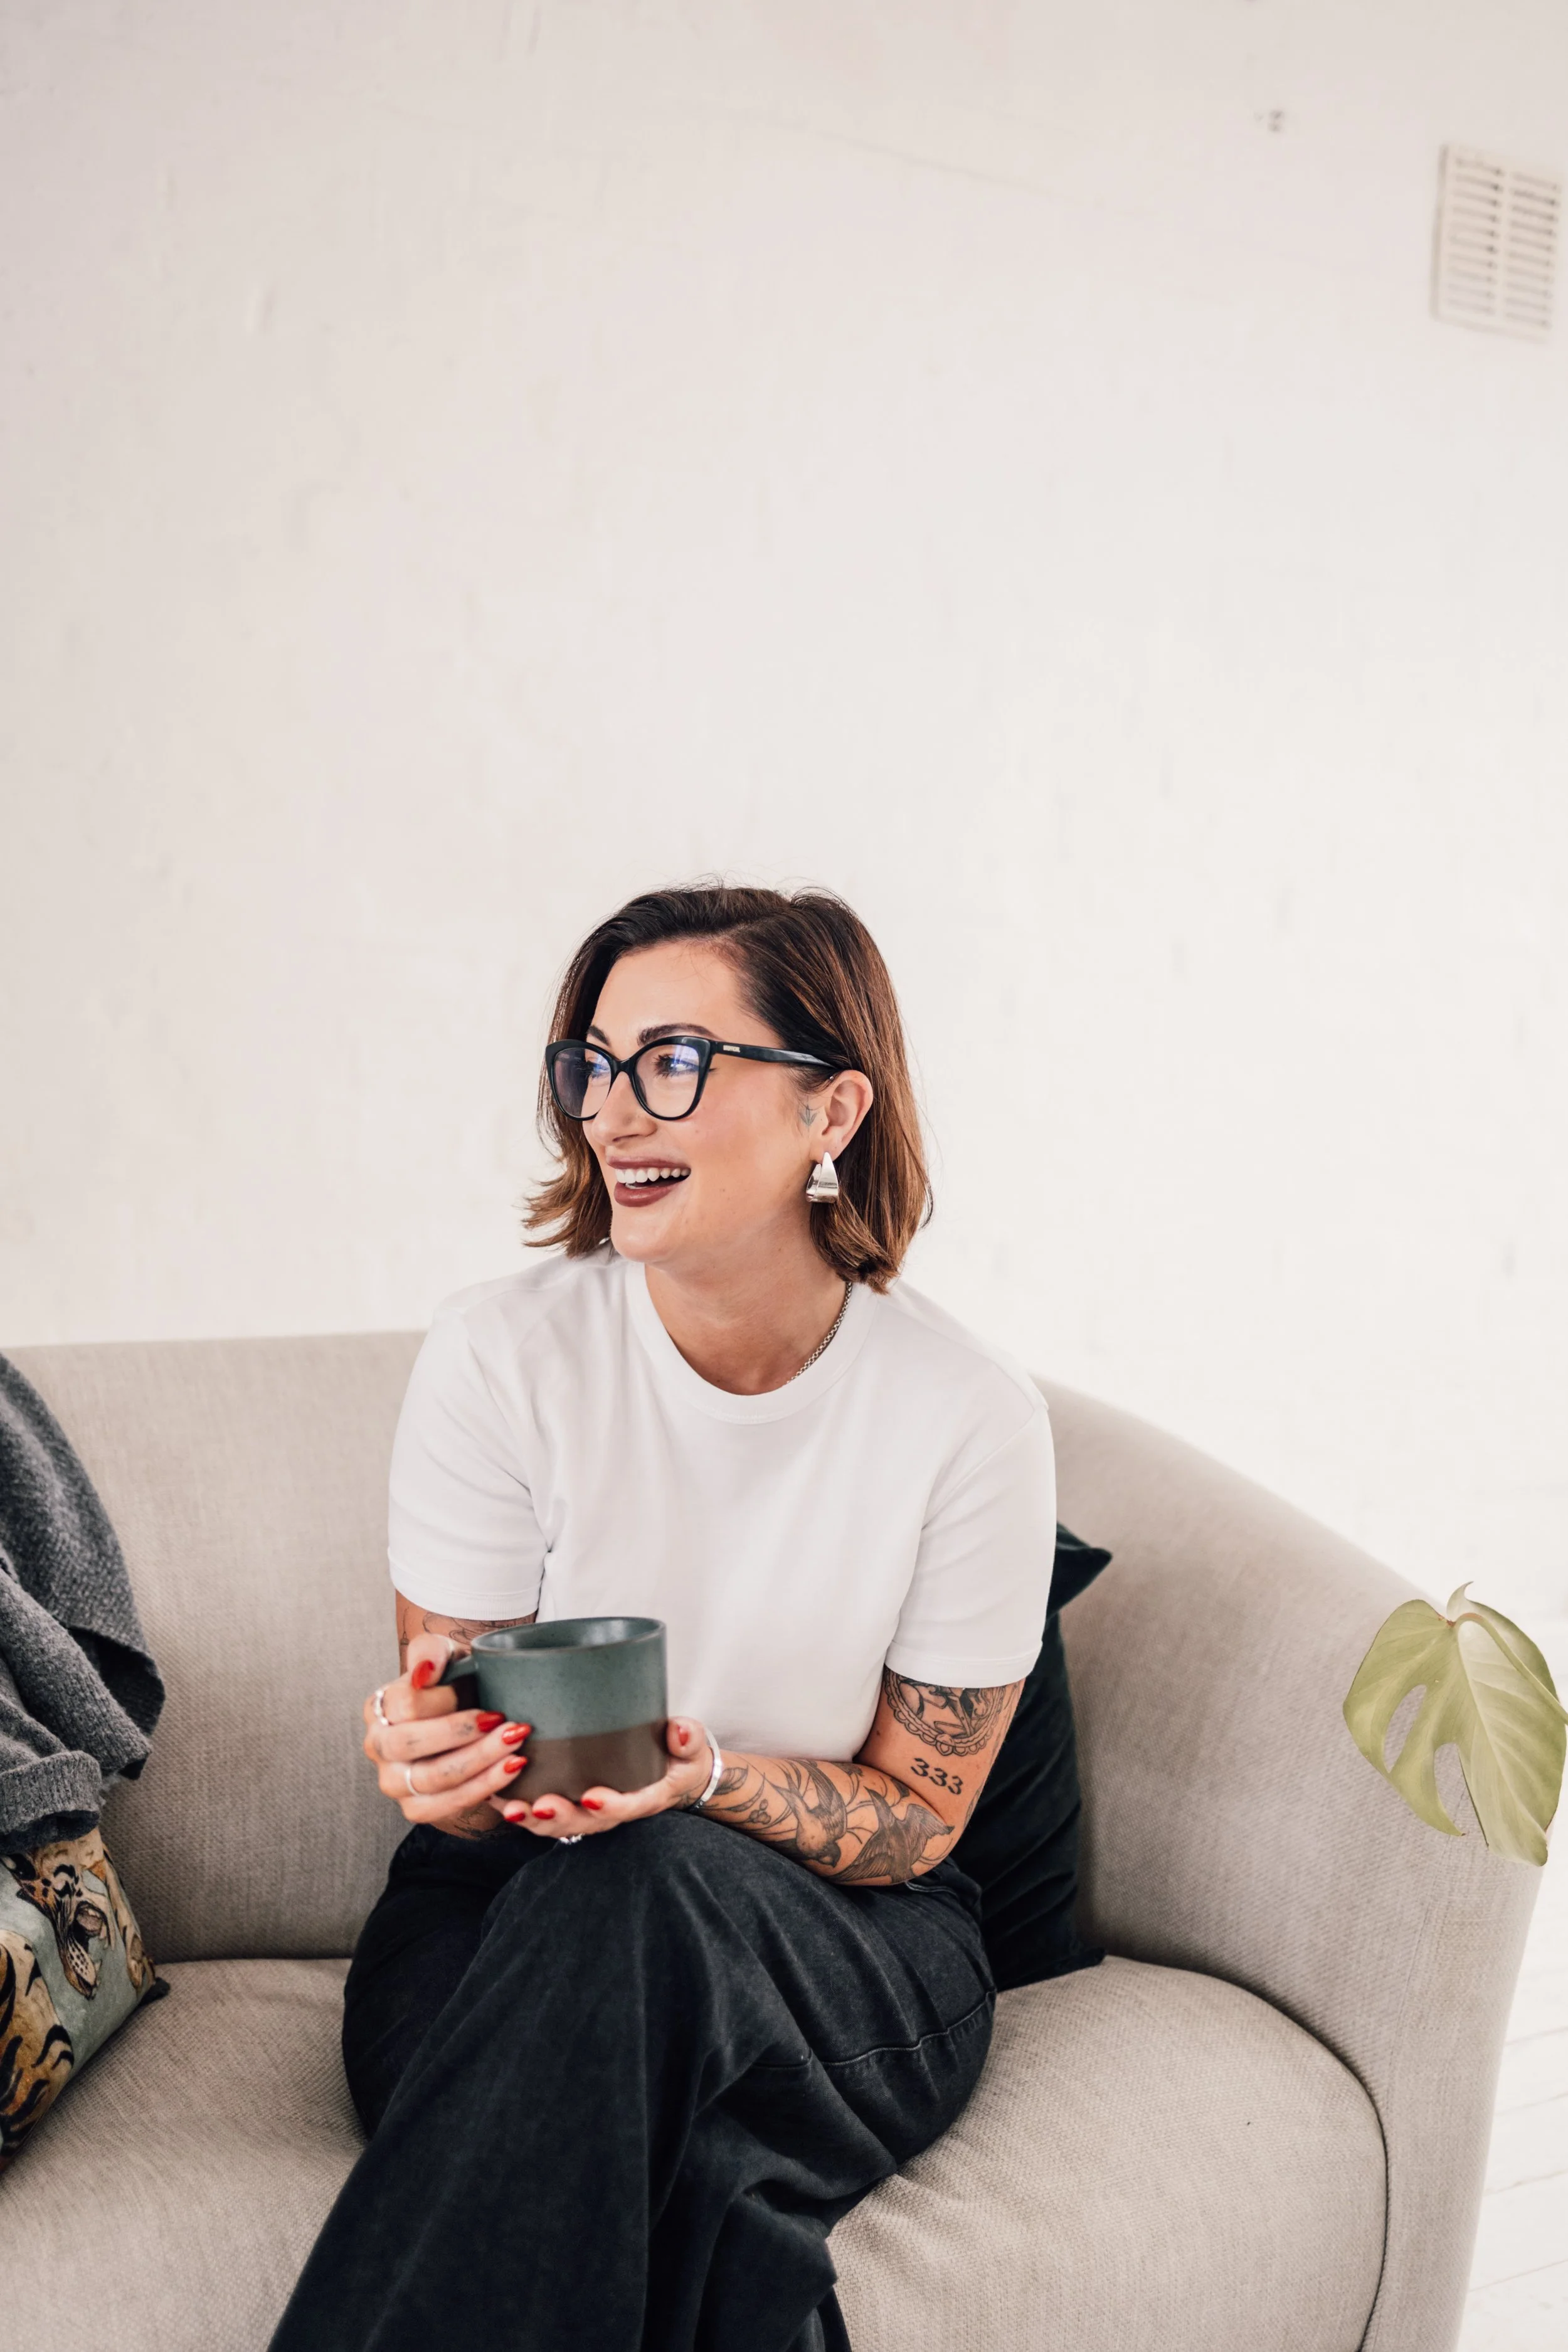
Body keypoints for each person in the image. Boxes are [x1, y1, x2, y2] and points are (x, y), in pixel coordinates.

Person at [269, 884, 1057, 2352]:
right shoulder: (499, 1359)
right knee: (704, 2182)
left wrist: (699, 1785)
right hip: (497, 1922)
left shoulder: (965, 1421)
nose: (611, 1114)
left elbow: (916, 1819)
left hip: (852, 1938)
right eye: (592, 1065)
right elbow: (468, 1770)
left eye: (674, 1063)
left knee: (644, 1879)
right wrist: (435, 1777)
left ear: (833, 1110)